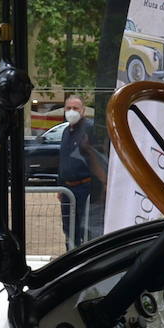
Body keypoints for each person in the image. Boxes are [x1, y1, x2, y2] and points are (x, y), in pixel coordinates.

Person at [57, 95, 107, 248]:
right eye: (68, 108)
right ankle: (70, 256)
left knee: (85, 227)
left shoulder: (90, 129)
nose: (71, 111)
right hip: (66, 188)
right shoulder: (65, 132)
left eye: (75, 108)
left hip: (85, 188)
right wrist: (60, 186)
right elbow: (63, 159)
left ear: (83, 111)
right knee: (68, 227)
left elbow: (99, 157)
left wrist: (103, 183)